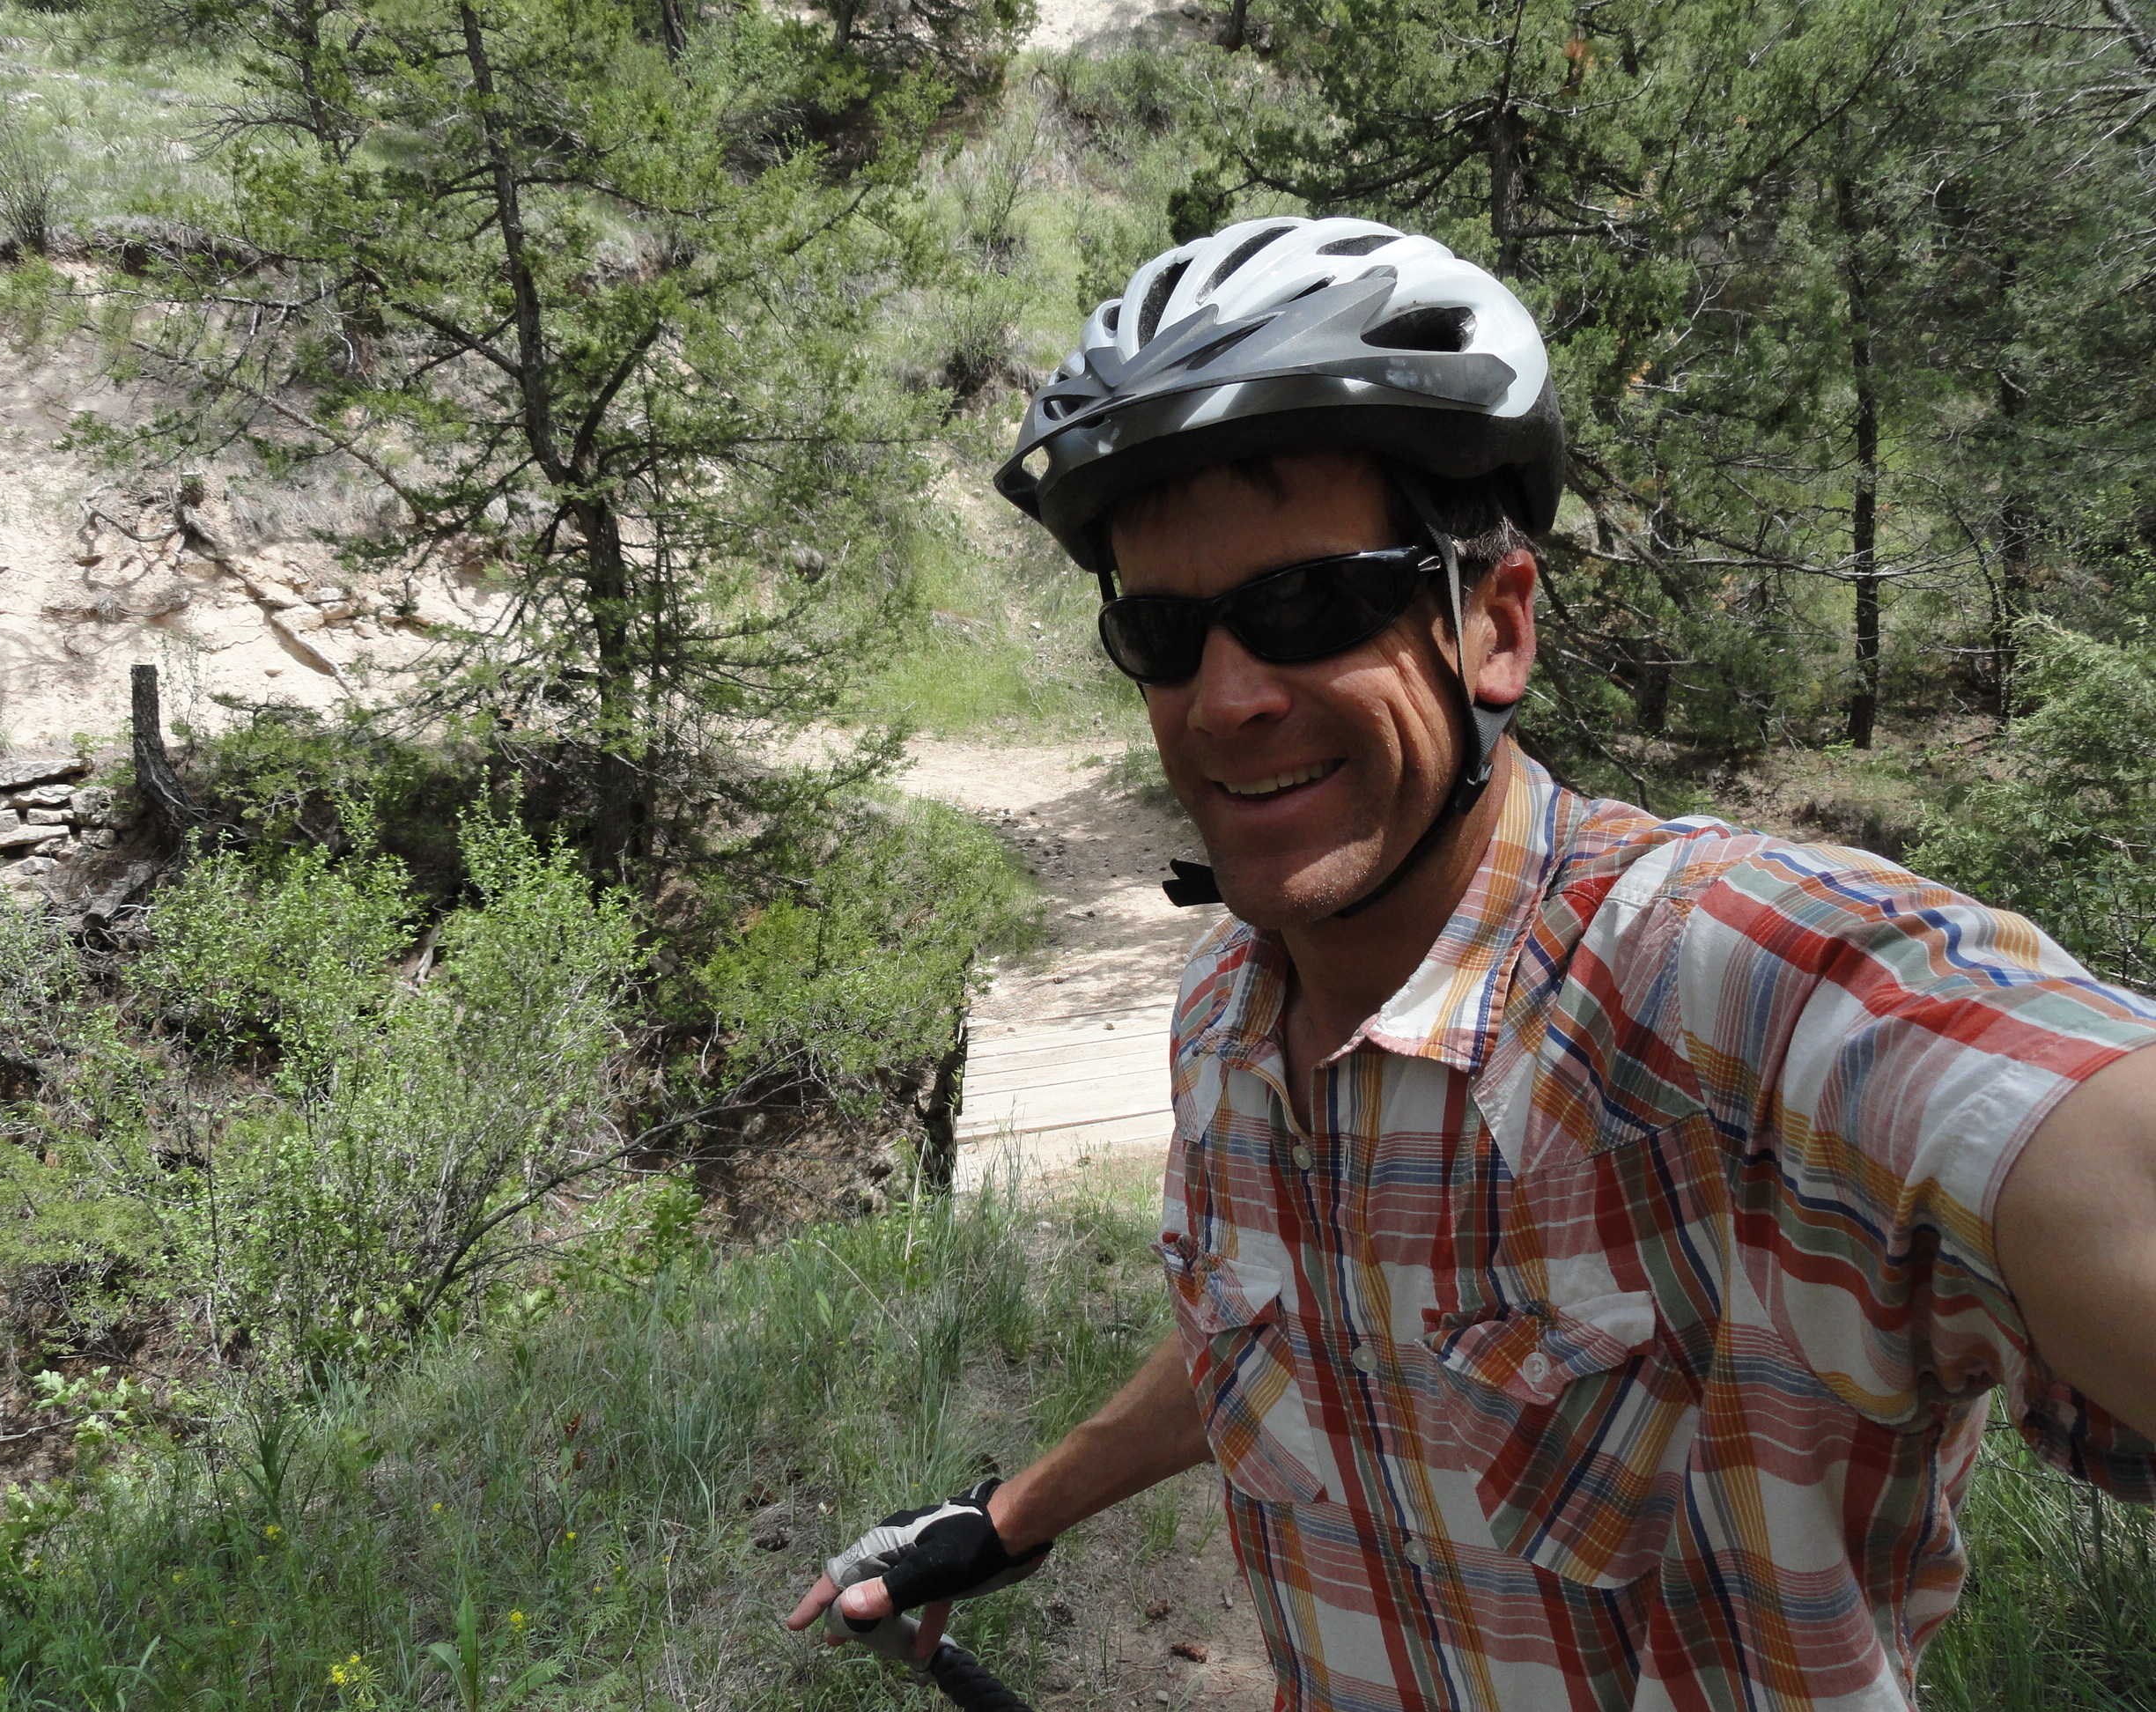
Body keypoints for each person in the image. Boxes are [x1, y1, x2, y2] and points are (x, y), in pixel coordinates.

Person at [785, 217, 2156, 1709]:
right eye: (1164, 633)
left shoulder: (1716, 991)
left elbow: (2055, 1121)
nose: (1226, 696)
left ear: (1494, 628)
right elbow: (1313, 1325)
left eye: (1309, 606)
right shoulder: (1224, 1029)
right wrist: (1009, 1517)